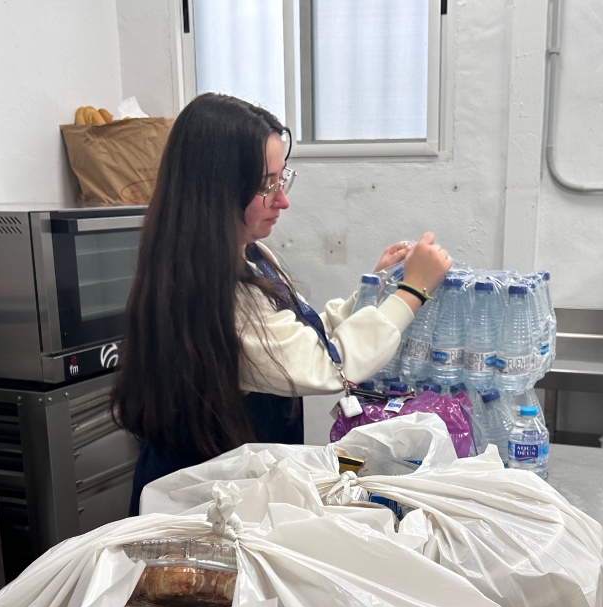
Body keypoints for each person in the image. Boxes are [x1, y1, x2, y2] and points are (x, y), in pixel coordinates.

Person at [114, 93, 452, 514]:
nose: (283, 200)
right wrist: (412, 293)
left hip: (232, 485)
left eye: (281, 179)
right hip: (201, 500)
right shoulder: (217, 290)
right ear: (216, 191)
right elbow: (328, 368)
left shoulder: (245, 254)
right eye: (265, 186)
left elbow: (302, 336)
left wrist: (373, 292)